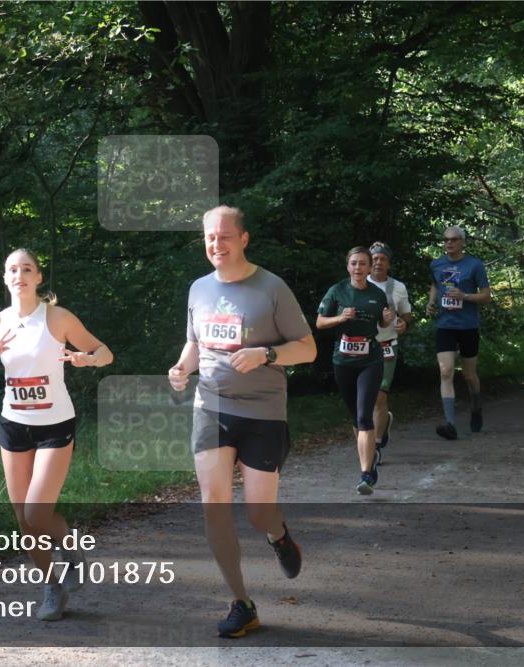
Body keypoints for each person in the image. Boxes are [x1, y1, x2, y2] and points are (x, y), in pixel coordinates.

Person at [168, 205, 316, 638]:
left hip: (263, 412)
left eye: (225, 236)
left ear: (244, 238)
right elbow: (194, 344)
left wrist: (266, 354)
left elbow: (307, 348)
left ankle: (278, 535)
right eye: (210, 237)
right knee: (214, 504)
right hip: (211, 406)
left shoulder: (271, 287)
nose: (216, 244)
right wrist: (181, 368)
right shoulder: (198, 289)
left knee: (257, 513)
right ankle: (241, 603)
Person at [0, 248, 113, 621]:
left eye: (27, 269)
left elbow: (106, 352)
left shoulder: (57, 318)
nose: (19, 275)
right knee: (24, 522)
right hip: (14, 426)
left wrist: (89, 359)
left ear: (38, 277)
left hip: (55, 425)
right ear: (5, 278)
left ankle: (71, 549)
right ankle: (52, 587)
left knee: (37, 513)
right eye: (12, 269)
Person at [316, 247, 395, 495]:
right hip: (343, 362)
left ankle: (365, 475)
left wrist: (387, 318)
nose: (358, 268)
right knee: (355, 417)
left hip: (370, 361)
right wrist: (340, 318)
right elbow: (320, 322)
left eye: (362, 264)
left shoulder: (377, 294)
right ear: (347, 266)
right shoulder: (337, 291)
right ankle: (368, 461)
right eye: (354, 263)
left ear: (370, 268)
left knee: (364, 417)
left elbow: (383, 322)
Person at [426, 226, 491, 440]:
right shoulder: (436, 264)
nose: (449, 243)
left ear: (463, 242)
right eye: (446, 240)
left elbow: (486, 296)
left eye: (454, 240)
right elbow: (435, 285)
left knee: (469, 375)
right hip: (445, 325)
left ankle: (476, 406)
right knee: (446, 371)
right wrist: (431, 302)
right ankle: (450, 424)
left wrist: (465, 296)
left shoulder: (475, 265)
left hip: (468, 326)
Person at [367, 242, 415, 463]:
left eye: (382, 259)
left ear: (389, 264)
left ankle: (376, 446)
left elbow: (407, 315)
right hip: (361, 346)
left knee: (379, 396)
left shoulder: (398, 287)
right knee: (363, 398)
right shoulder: (358, 283)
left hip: (387, 345)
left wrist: (404, 324)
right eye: (375, 259)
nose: (378, 262)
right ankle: (382, 424)